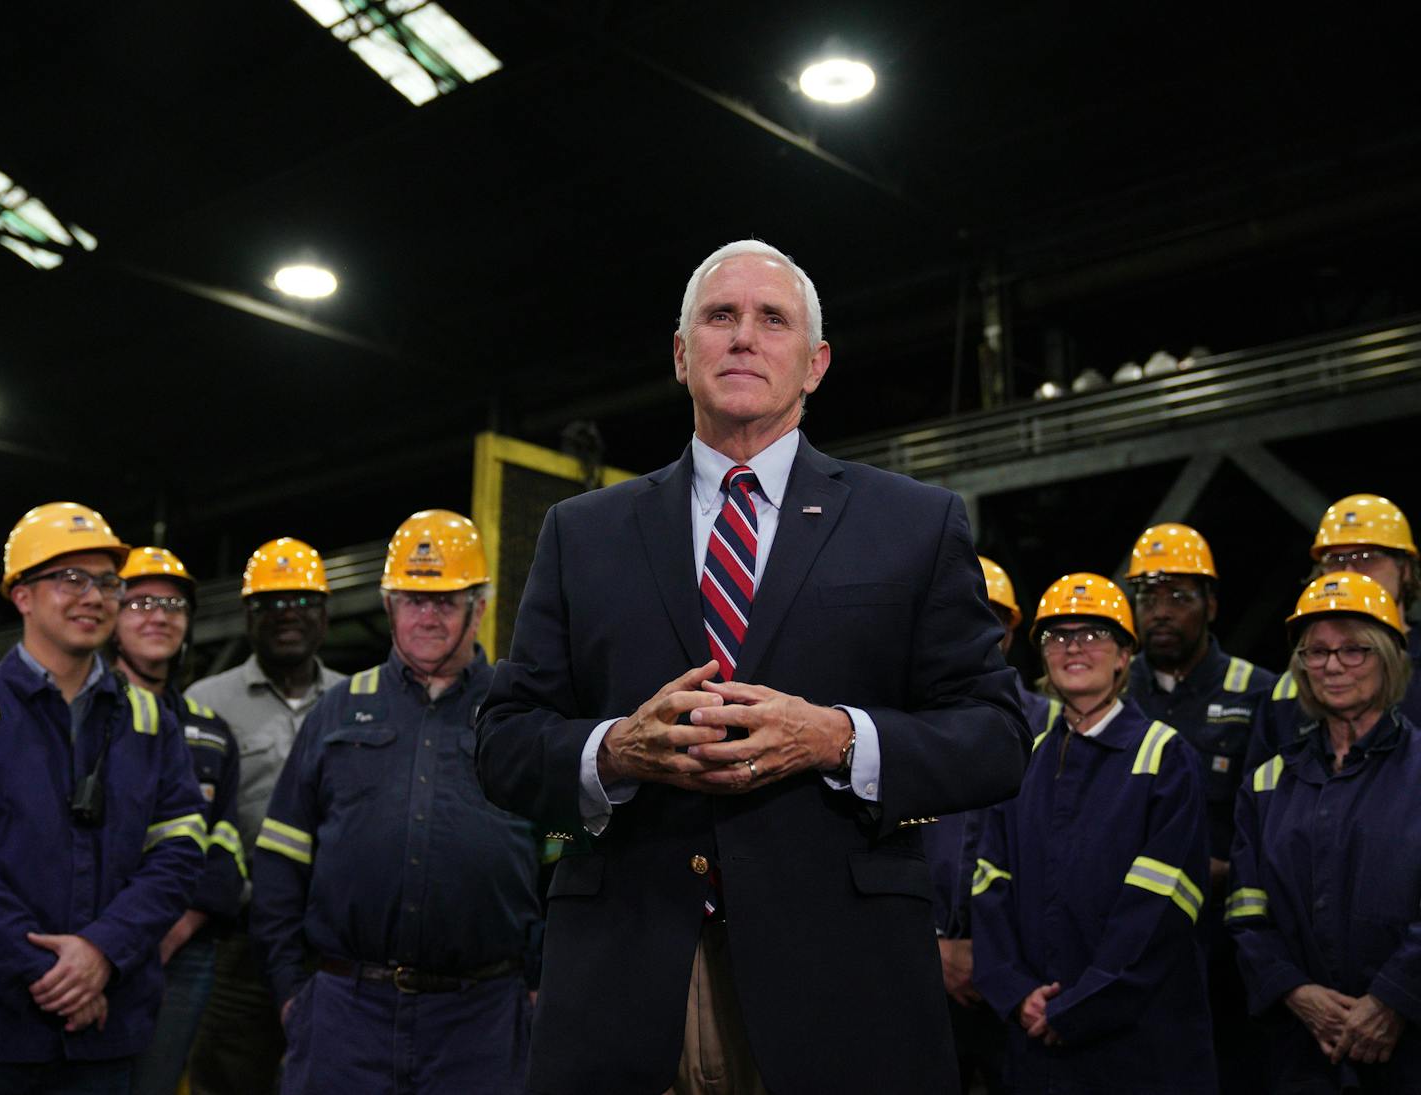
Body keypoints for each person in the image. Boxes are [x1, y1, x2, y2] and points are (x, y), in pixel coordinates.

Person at [476, 239, 1030, 1094]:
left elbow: (996, 736)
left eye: (772, 319)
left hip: (840, 985)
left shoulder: (914, 523)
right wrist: (616, 750)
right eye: (719, 316)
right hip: (628, 980)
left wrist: (838, 737)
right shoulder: (580, 533)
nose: (743, 337)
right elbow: (504, 743)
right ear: (679, 353)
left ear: (815, 364)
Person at [251, 509, 541, 1093]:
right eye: (411, 599)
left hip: (483, 1018)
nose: (426, 616)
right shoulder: (336, 711)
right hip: (343, 1015)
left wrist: (542, 983)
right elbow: (281, 858)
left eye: (445, 601)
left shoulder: (524, 715)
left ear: (479, 607)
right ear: (388, 607)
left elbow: (565, 855)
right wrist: (290, 992)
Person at [972, 573, 1216, 1094]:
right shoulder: (1025, 758)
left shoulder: (1165, 758)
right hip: (1034, 1039)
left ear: (1125, 655)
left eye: (1094, 634)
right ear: (1042, 656)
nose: (1074, 647)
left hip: (1140, 1046)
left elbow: (1163, 908)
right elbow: (989, 884)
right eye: (1058, 636)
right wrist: (1017, 994)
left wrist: (1078, 1007)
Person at [0, 503, 206, 1093]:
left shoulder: (147, 718)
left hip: (109, 1026)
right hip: (8, 1021)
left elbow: (182, 848)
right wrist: (55, 978)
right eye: (71, 579)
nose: (94, 597)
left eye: (108, 583)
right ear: (22, 595)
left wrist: (102, 953)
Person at [1227, 572, 1421, 1092]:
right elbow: (1246, 911)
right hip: (1303, 1048)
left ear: (1389, 659)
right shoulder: (1267, 784)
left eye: (1354, 650)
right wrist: (1294, 991)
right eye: (1316, 653)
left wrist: (1394, 999)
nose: (1333, 666)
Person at [186, 538, 344, 1095]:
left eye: (302, 600)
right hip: (237, 946)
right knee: (229, 1079)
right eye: (271, 604)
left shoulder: (354, 701)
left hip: (337, 945)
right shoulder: (206, 703)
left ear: (325, 614)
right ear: (248, 616)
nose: (288, 615)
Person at [1123, 522, 1275, 1094]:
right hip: (1127, 940)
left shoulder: (1259, 693)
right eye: (1148, 596)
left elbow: (1276, 823)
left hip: (1227, 947)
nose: (1160, 611)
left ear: (1211, 604)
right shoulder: (1110, 693)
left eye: (1179, 597)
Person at [110, 547, 244, 1095]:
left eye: (172, 604)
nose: (158, 615)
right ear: (112, 617)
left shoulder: (211, 731)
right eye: (139, 602)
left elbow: (226, 845)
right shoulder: (85, 715)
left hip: (182, 956)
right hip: (92, 951)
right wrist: (116, 943)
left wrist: (170, 934)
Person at [927, 554, 1051, 1095]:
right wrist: (933, 946)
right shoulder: (907, 722)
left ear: (1011, 630)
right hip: (924, 970)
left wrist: (997, 957)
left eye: (993, 617)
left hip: (1024, 977)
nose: (977, 627)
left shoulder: (1051, 724)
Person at [1247, 494, 1421, 770]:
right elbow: (1260, 794)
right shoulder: (1285, 690)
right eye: (1335, 559)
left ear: (1407, 570)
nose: (1350, 571)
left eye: (1366, 557)